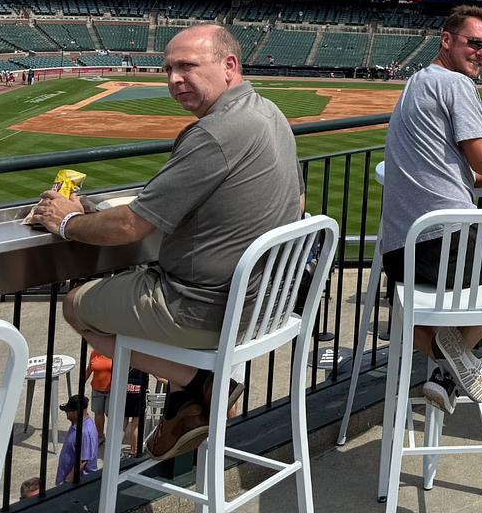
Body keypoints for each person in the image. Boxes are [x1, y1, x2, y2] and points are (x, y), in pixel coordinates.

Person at [30, 23, 304, 462]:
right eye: (168, 69)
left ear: (229, 66)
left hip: (207, 309)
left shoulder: (214, 132)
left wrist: (67, 222)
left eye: (187, 66)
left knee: (76, 306)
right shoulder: (270, 113)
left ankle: (197, 383)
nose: (175, 79)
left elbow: (131, 227)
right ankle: (184, 405)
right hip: (267, 306)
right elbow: (298, 200)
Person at [378, 5, 482, 414]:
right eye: (474, 43)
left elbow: (448, 167)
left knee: (414, 311)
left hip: (400, 251)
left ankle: (444, 368)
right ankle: (451, 367)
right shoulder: (457, 84)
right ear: (446, 40)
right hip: (442, 243)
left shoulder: (417, 82)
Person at [55, 393, 100, 484]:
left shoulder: (85, 432)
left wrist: (66, 483)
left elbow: (82, 461)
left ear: (76, 412)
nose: (66, 413)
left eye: (67, 411)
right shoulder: (77, 424)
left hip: (77, 483)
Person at [85, 348, 113, 449]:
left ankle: (112, 437)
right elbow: (89, 369)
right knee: (98, 413)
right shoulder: (94, 353)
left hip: (111, 390)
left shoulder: (113, 354)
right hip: (97, 389)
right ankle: (100, 436)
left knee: (111, 414)